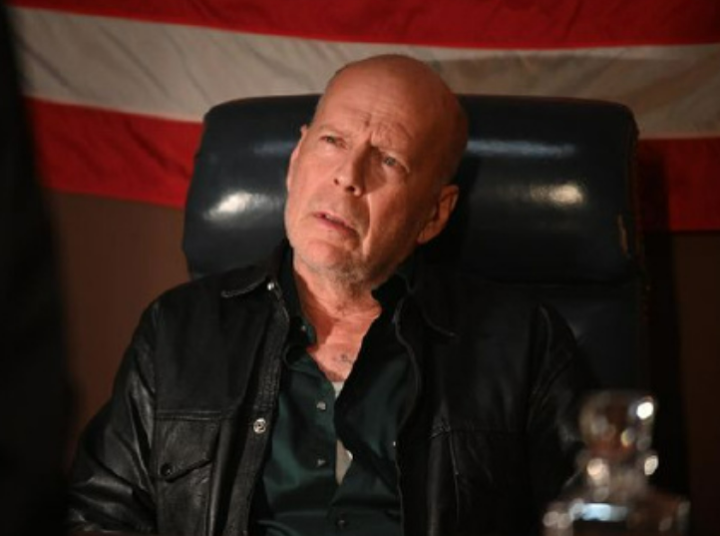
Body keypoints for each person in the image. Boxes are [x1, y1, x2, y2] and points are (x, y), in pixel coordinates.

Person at [68, 55, 593, 536]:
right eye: (333, 141)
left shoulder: (522, 343)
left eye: (388, 160)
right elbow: (99, 517)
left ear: (434, 213)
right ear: (296, 158)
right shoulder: (179, 331)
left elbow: (595, 516)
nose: (347, 176)